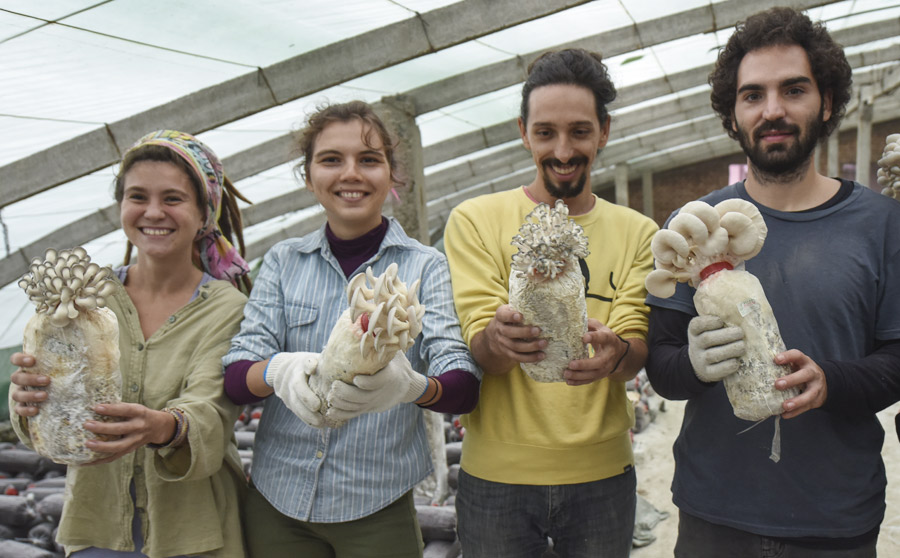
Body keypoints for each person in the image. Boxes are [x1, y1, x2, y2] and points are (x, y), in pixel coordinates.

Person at [645, 7, 900, 557]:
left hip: (834, 523)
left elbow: (898, 358)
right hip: (714, 518)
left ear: (826, 101)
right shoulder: (695, 230)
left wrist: (831, 381)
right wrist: (692, 365)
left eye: (794, 90)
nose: (773, 110)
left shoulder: (883, 225)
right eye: (753, 95)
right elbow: (660, 362)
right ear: (732, 114)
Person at [222, 100, 481, 558]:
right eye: (331, 160)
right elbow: (237, 374)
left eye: (368, 159)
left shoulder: (425, 266)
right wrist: (278, 371)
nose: (351, 174)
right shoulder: (284, 262)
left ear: (391, 176)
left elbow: (462, 384)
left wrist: (413, 387)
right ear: (308, 176)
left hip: (376, 506)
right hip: (277, 503)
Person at [442, 48, 658, 558]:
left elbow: (636, 345)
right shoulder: (475, 220)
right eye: (545, 133)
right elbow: (479, 339)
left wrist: (617, 355)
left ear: (604, 131)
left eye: (580, 131)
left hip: (602, 475)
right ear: (523, 131)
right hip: (497, 479)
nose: (563, 151)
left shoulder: (639, 233)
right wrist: (497, 339)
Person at [9, 130, 252, 557]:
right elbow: (50, 408)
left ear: (203, 215)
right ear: (122, 206)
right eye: (138, 196)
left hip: (193, 534)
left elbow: (212, 409)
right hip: (97, 528)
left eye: (173, 199)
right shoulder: (80, 298)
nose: (153, 212)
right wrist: (28, 401)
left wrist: (165, 427)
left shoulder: (226, 307)